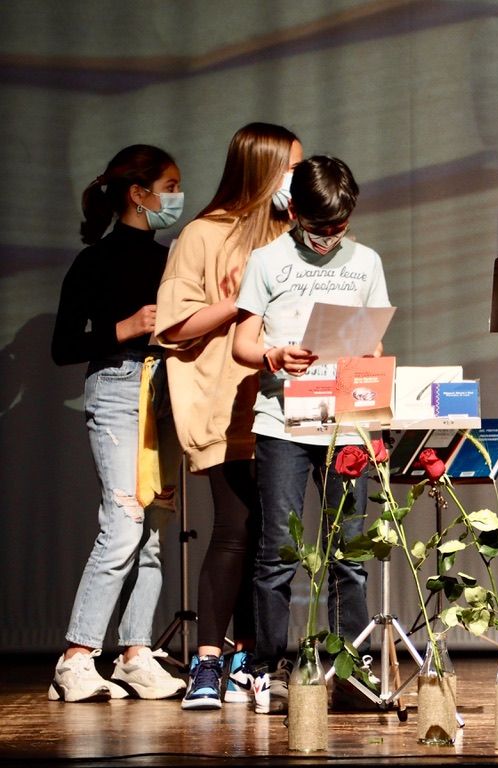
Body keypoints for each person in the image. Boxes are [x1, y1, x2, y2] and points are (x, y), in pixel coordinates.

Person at [232, 154, 389, 714]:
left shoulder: (365, 261)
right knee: (278, 550)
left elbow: (372, 343)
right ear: (293, 209)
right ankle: (268, 669)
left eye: (340, 226)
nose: (330, 237)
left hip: (345, 421)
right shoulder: (267, 260)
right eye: (319, 227)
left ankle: (347, 664)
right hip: (282, 422)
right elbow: (242, 343)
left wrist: (369, 366)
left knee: (348, 549)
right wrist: (274, 353)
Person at [154, 122, 302, 710]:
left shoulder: (294, 235)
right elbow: (174, 325)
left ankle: (251, 656)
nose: (299, 176)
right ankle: (208, 662)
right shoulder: (202, 235)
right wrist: (240, 300)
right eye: (291, 167)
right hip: (224, 402)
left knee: (273, 538)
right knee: (236, 529)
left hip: (283, 405)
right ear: (262, 169)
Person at [49, 144, 187, 702]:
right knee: (123, 522)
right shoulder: (95, 261)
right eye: (170, 186)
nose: (176, 198)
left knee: (152, 532)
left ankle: (135, 653)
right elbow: (63, 347)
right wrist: (124, 327)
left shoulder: (171, 258)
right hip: (116, 389)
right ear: (139, 193)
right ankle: (76, 656)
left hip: (165, 392)